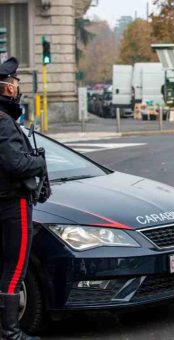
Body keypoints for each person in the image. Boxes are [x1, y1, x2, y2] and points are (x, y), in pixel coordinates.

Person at [0, 57, 45, 339]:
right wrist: (38, 163)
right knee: (16, 268)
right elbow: (15, 164)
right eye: (14, 81)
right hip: (13, 201)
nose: (17, 86)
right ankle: (11, 332)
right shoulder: (3, 123)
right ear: (5, 87)